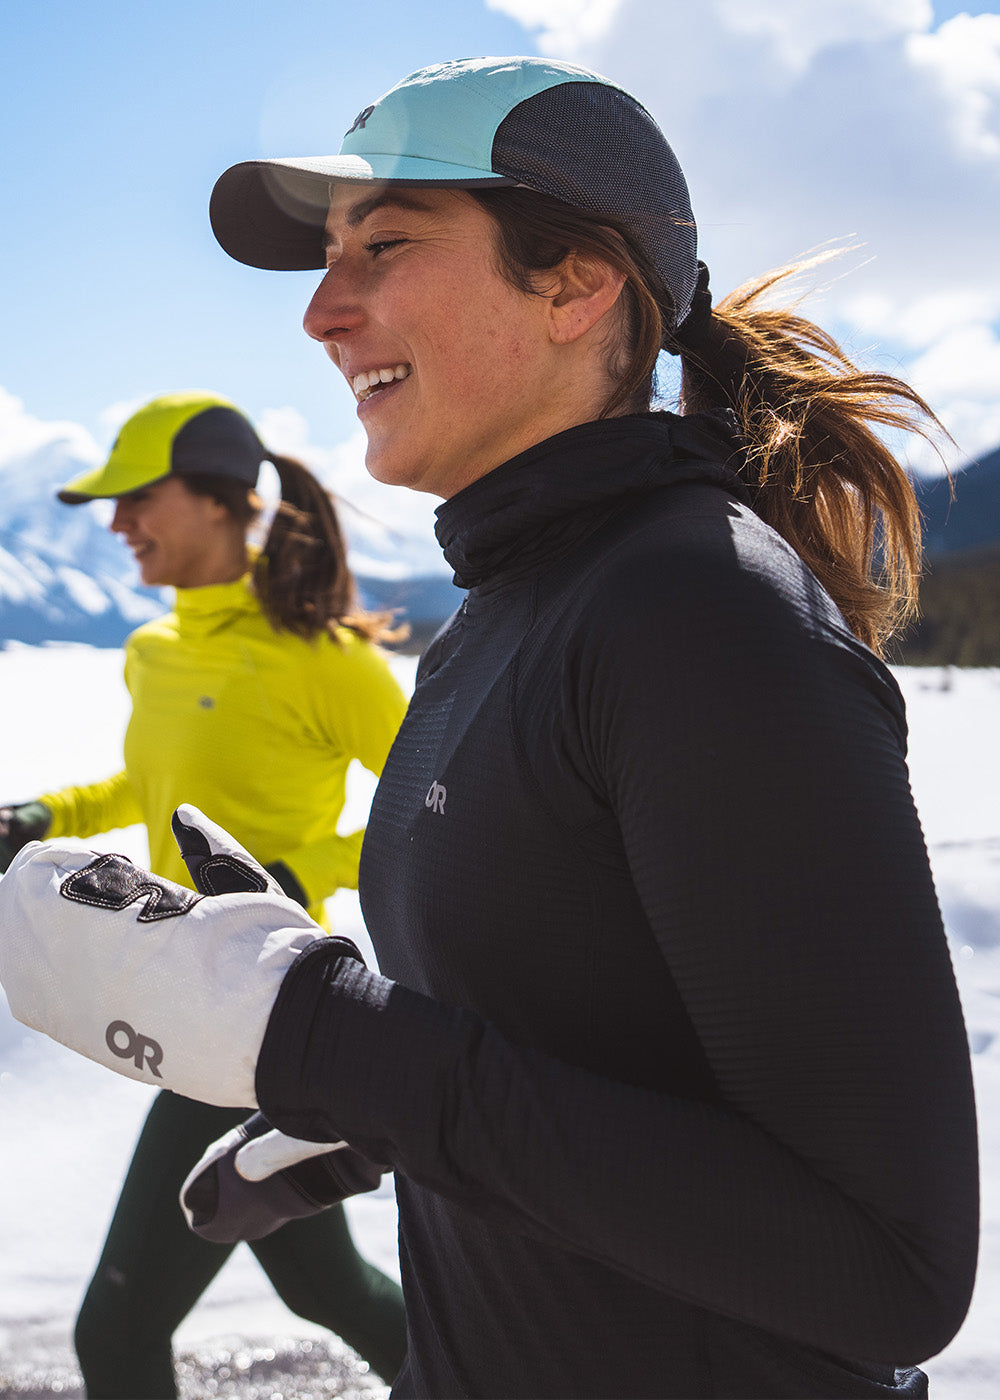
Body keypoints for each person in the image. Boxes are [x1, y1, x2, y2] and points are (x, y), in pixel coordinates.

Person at [0, 57, 980, 1400]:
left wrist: (327, 1036)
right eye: (327, 258)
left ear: (575, 283)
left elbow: (888, 1268)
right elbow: (581, 1047)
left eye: (383, 247)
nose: (321, 314)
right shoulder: (503, 618)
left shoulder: (703, 616)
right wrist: (365, 1104)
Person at [0, 390, 409, 1397]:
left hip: (261, 1021)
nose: (114, 521)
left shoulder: (330, 662)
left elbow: (433, 806)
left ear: (220, 499)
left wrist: (306, 866)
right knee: (337, 1295)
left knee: (117, 1332)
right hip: (178, 1005)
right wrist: (42, 813)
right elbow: (149, 791)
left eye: (137, 494)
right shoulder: (155, 654)